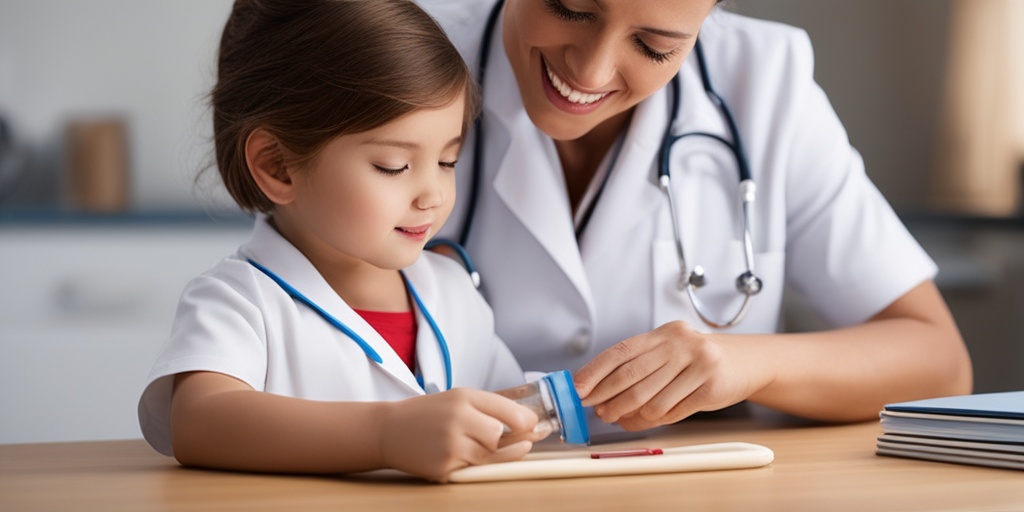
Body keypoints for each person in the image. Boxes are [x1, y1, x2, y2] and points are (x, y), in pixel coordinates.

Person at [414, 0, 973, 433]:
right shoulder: (393, 42)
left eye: (654, 46)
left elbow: (939, 364)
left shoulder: (765, 80)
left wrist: (749, 363)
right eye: (572, 10)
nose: (590, 68)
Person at [137, 0, 549, 483]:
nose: (433, 195)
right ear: (277, 165)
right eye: (393, 166)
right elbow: (199, 421)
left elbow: (509, 412)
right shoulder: (239, 300)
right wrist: (385, 435)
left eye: (448, 161)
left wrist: (574, 402)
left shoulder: (454, 294)